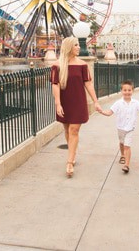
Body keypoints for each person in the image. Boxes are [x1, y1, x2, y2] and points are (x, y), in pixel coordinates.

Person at [51, 36, 102, 177]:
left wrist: (96, 101)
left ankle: (69, 161)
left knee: (74, 130)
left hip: (78, 102)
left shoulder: (82, 65)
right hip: (64, 102)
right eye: (76, 45)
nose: (79, 47)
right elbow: (55, 84)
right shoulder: (57, 65)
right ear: (68, 47)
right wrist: (58, 103)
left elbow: (88, 84)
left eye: (79, 45)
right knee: (67, 130)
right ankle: (72, 153)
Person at [99, 80, 139, 173]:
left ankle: (126, 165)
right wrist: (101, 111)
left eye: (129, 90)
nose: (127, 92)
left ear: (133, 90)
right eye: (125, 90)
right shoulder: (118, 103)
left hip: (130, 128)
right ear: (121, 91)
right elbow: (109, 113)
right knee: (122, 143)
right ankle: (122, 155)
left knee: (127, 145)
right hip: (120, 128)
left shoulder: (136, 103)